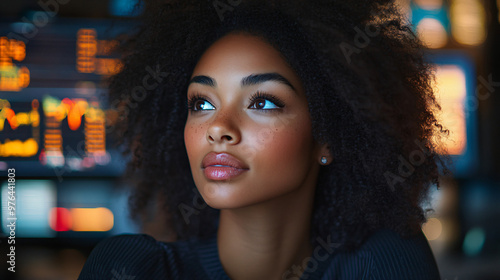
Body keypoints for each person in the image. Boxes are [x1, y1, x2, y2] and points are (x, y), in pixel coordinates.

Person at [78, 0, 450, 279]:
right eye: (202, 102)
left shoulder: (385, 261)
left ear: (329, 136)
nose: (218, 127)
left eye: (263, 102)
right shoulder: (133, 268)